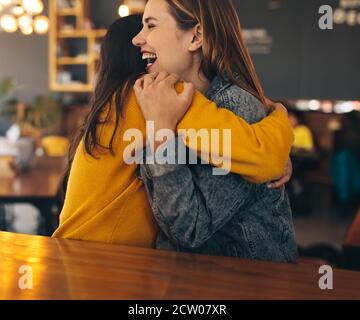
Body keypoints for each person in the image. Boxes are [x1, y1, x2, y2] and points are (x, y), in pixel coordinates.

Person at [53, 14, 294, 254]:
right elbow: (264, 156)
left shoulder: (116, 102)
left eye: (152, 27)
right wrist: (277, 114)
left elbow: (233, 145)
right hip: (104, 264)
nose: (141, 39)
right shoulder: (152, 92)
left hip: (77, 254)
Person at [132, 0, 297, 262]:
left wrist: (161, 135)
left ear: (196, 36)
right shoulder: (162, 100)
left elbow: (189, 230)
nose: (137, 38)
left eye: (150, 25)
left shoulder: (236, 108)